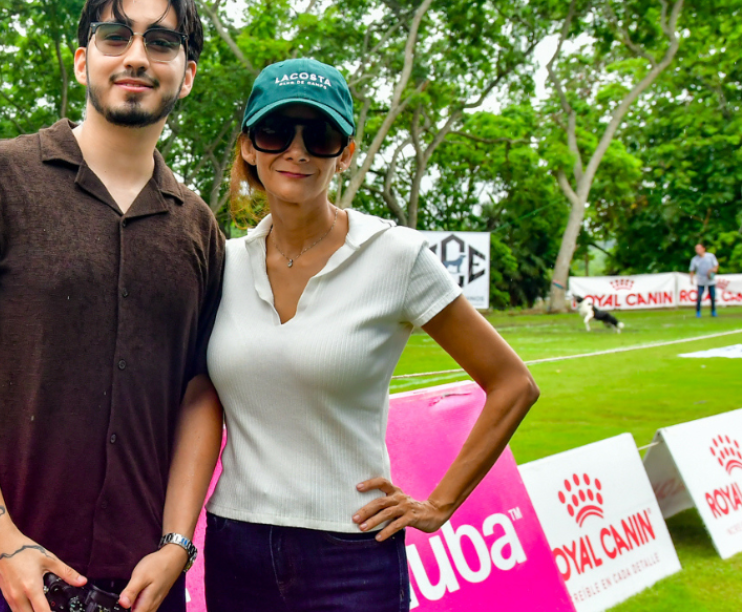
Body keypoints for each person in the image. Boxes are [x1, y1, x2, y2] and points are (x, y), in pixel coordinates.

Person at [0, 0, 225, 612]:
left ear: (187, 74)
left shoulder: (198, 227)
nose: (136, 56)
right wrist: (0, 540)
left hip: (140, 578)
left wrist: (176, 543)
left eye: (161, 42)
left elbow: (200, 391)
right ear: (84, 60)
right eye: (116, 36)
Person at [195, 59, 540, 611]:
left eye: (321, 136)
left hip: (351, 553)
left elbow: (513, 384)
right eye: (275, 131)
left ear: (346, 152)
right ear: (249, 148)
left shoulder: (397, 256)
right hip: (237, 545)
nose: (297, 150)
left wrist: (439, 505)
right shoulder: (223, 264)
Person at [689, 243, 719, 318]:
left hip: (710, 280)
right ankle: (698, 312)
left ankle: (713, 311)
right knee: (699, 296)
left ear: (703, 249)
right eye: (696, 249)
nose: (697, 250)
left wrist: (713, 270)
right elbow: (692, 270)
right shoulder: (694, 259)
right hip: (701, 280)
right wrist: (691, 279)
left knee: (712, 296)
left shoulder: (710, 256)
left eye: (699, 248)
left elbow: (716, 265)